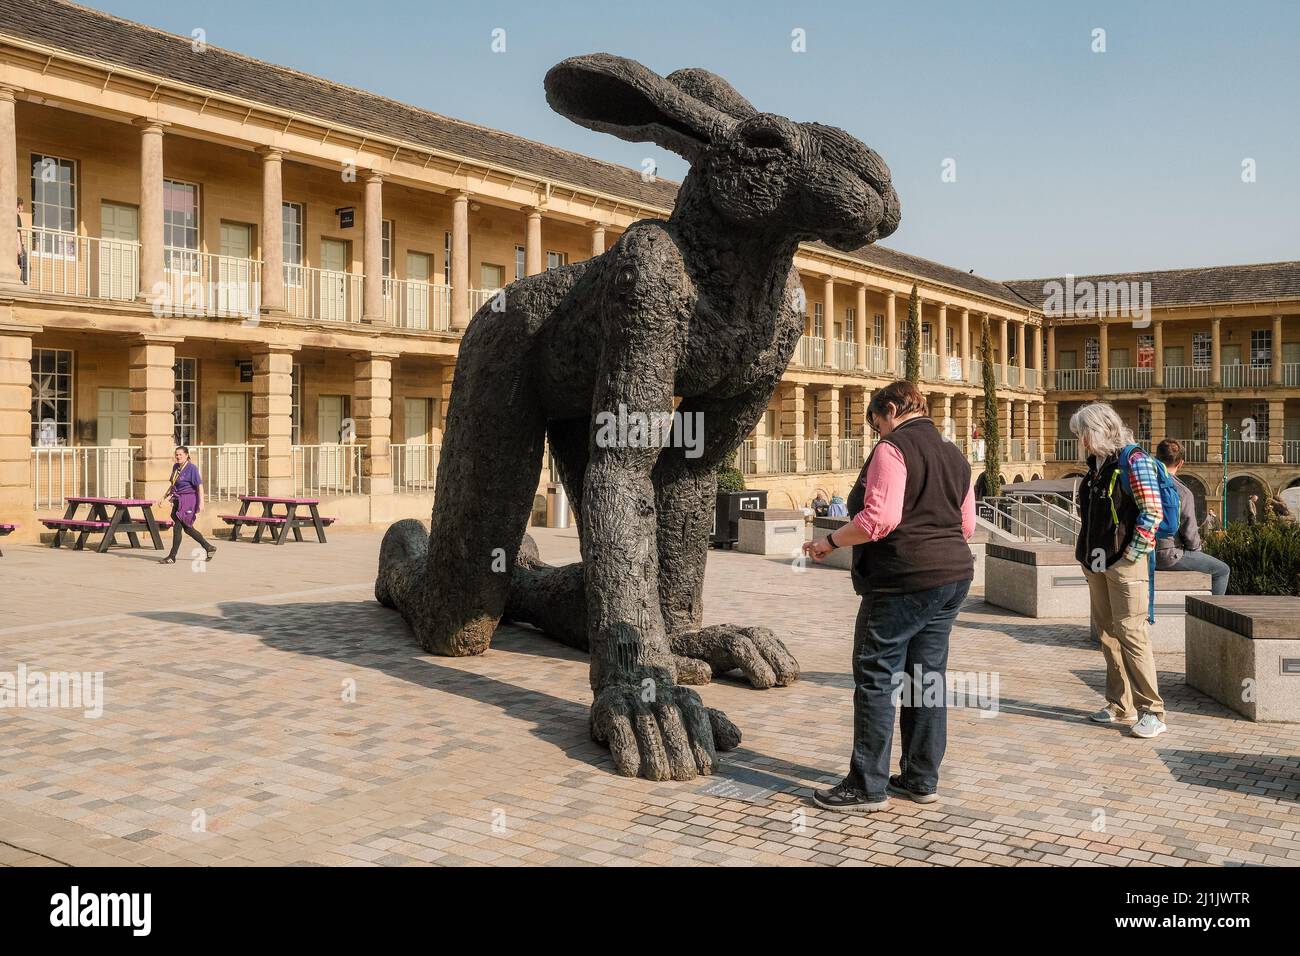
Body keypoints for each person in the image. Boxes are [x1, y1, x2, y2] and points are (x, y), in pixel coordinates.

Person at [803, 380, 975, 812]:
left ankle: (866, 785)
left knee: (877, 677)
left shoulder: (892, 448)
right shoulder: (955, 454)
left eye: (878, 422)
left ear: (893, 409)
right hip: (952, 577)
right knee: (926, 680)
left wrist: (830, 543)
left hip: (902, 581)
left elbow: (878, 519)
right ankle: (920, 778)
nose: (879, 432)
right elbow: (966, 525)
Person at [1072, 403, 1166, 739]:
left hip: (1124, 563)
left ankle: (1152, 711)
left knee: (1131, 633)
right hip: (1096, 559)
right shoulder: (1096, 464)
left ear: (1100, 430)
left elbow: (1151, 512)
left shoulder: (1133, 460)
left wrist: (1131, 556)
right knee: (1107, 633)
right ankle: (1119, 704)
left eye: (1083, 433)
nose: (1081, 441)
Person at [1154, 439, 1230, 595]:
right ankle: (1212, 615)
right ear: (1181, 463)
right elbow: (1190, 533)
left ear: (1156, 457)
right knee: (1222, 571)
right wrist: (1196, 550)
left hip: (1141, 550)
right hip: (1167, 555)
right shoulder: (1183, 491)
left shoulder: (1143, 483)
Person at [157, 446, 217, 565]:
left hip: (188, 500)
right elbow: (173, 485)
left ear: (186, 455)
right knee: (188, 528)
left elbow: (199, 486)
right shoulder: (176, 467)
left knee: (178, 527)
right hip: (178, 500)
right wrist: (164, 497)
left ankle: (172, 556)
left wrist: (202, 502)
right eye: (177, 454)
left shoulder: (192, 468)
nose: (178, 457)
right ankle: (209, 547)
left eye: (180, 454)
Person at [16, 198, 27, 285]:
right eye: (22, 205)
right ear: (19, 205)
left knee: (24, 264)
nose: (23, 207)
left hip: (17, 244)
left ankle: (22, 282)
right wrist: (19, 245)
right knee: (26, 264)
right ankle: (23, 283)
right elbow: (17, 232)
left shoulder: (16, 216)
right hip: (17, 244)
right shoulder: (16, 216)